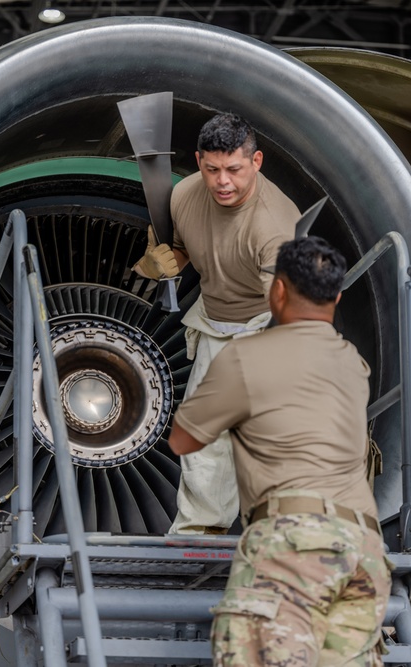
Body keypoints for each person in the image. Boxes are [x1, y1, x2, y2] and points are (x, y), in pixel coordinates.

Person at [168, 236, 390, 667]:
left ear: (279, 290)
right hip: (364, 551)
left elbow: (184, 440)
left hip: (296, 542)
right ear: (338, 296)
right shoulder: (353, 363)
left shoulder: (247, 357)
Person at [133, 112, 300, 534]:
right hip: (214, 325)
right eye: (212, 169)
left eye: (234, 170)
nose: (222, 181)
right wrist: (153, 266)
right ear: (198, 162)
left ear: (256, 162)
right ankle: (199, 532)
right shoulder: (184, 195)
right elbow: (177, 253)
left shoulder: (275, 226)